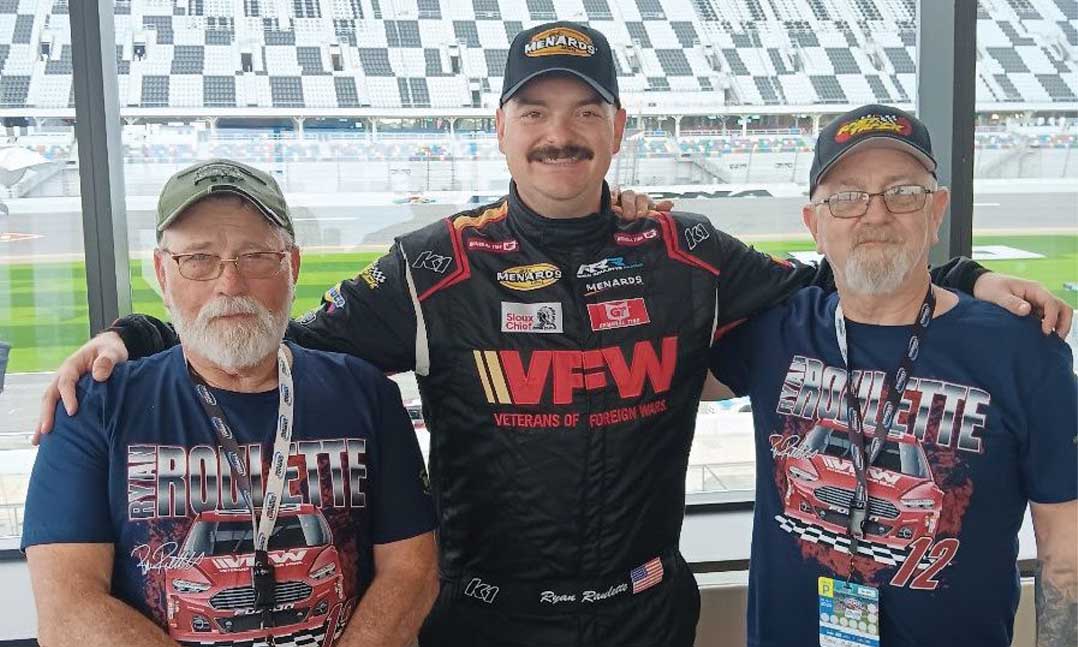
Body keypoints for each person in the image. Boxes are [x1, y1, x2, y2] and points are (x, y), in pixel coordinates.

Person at [35, 24, 1071, 647]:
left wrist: (958, 273)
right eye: (534, 110)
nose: (559, 130)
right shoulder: (433, 265)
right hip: (483, 617)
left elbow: (844, 272)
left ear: (618, 127)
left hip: (643, 615)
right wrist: (132, 330)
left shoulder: (692, 252)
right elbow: (268, 333)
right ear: (501, 128)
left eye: (585, 109)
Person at [22, 159, 439, 647]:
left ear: (293, 266)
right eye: (198, 258)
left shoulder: (367, 395)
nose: (230, 284)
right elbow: (68, 610)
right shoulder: (94, 406)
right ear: (162, 271)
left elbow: (412, 572)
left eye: (256, 255)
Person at [709, 105, 1077, 647]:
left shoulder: (1022, 349)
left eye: (903, 194)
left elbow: (1064, 546)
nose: (875, 215)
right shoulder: (773, 331)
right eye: (847, 197)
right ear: (814, 225)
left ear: (937, 213)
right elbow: (656, 382)